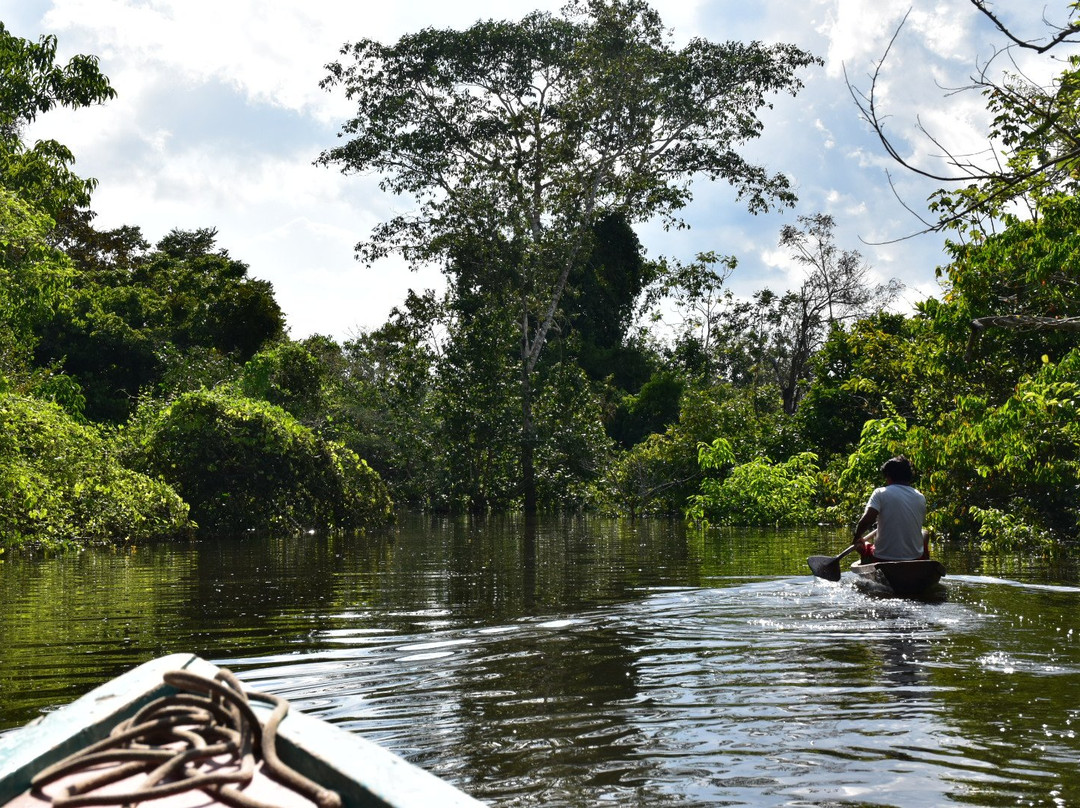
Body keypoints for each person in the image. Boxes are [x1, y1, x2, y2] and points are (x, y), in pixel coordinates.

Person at [852, 456, 928, 563]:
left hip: (881, 558)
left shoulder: (880, 493)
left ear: (888, 476)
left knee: (861, 545)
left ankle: (868, 558)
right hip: (915, 559)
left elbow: (867, 520)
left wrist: (857, 537)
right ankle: (923, 565)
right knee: (925, 533)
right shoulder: (920, 496)